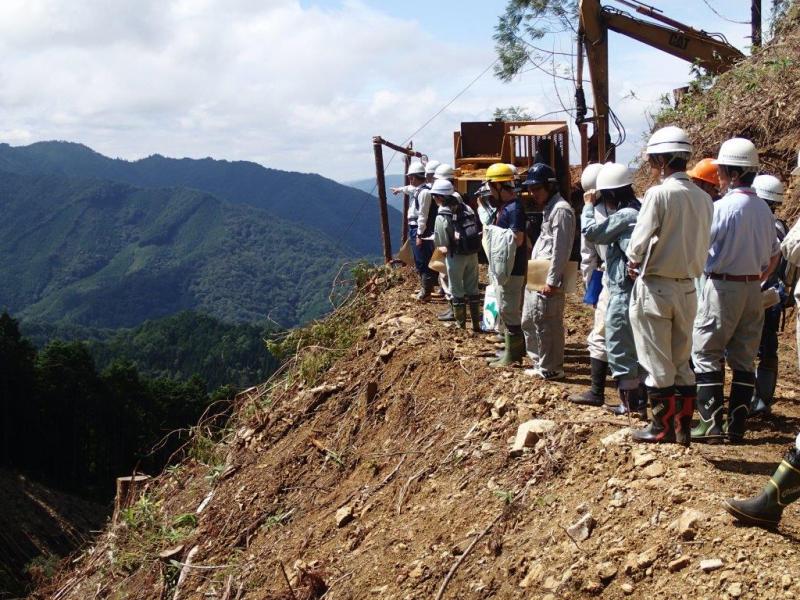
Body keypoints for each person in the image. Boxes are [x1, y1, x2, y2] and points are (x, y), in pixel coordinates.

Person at [626, 126, 713, 445]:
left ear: (662, 160)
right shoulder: (704, 198)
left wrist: (632, 259)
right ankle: (682, 429)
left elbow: (637, 243)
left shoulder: (658, 194)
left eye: (652, 161)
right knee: (682, 362)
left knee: (657, 361)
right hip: (690, 289)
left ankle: (660, 426)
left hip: (657, 288)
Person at [691, 138, 780, 444]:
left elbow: (700, 248)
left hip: (723, 286)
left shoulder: (722, 207)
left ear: (729, 171)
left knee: (706, 352)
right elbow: (774, 254)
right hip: (752, 288)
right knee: (743, 358)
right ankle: (737, 427)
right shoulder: (764, 210)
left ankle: (709, 424)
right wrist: (759, 277)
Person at [580, 163, 647, 419]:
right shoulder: (641, 209)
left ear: (608, 195)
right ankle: (639, 403)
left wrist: (587, 207)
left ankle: (629, 405)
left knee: (619, 346)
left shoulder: (623, 216)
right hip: (641, 290)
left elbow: (591, 233)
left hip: (622, 290)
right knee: (640, 347)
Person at [520, 163, 575, 380]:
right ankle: (539, 362)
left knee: (548, 322)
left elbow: (561, 249)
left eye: (537, 188)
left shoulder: (561, 211)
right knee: (530, 319)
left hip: (547, 275)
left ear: (549, 186)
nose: (533, 193)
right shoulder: (549, 208)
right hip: (538, 271)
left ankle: (552, 367)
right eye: (531, 189)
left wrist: (552, 281)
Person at [570, 162, 612, 406]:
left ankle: (597, 391)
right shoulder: (633, 205)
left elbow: (588, 258)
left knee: (599, 336)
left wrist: (590, 288)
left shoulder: (591, 215)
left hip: (608, 277)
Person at [750, 174, 790, 416]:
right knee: (767, 347)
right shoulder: (780, 226)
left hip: (758, 293)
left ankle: (757, 401)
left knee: (746, 348)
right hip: (773, 296)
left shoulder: (762, 226)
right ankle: (762, 398)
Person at [485, 163, 527, 367]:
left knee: (510, 308)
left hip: (512, 267)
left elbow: (517, 239)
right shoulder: (506, 207)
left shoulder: (514, 208)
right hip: (505, 266)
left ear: (499, 186)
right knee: (505, 306)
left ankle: (513, 355)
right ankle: (511, 350)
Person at [431, 179, 481, 330]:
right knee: (473, 288)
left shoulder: (442, 214)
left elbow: (442, 242)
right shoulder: (466, 208)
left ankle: (461, 325)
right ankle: (476, 324)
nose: (434, 199)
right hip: (472, 253)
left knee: (457, 290)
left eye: (434, 196)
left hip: (455, 255)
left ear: (440, 197)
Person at [403, 161, 438, 300]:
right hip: (417, 228)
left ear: (413, 177)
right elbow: (409, 189)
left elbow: (423, 215)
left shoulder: (424, 193)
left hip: (418, 229)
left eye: (410, 177)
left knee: (421, 259)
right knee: (421, 258)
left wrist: (419, 234)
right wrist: (400, 189)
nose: (410, 180)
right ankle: (427, 286)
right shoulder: (421, 190)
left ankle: (426, 291)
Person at [433, 163, 460, 323]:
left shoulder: (444, 206)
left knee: (447, 278)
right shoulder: (458, 198)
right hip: (460, 247)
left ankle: (454, 311)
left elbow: (445, 227)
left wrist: (442, 246)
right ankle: (457, 311)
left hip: (449, 248)